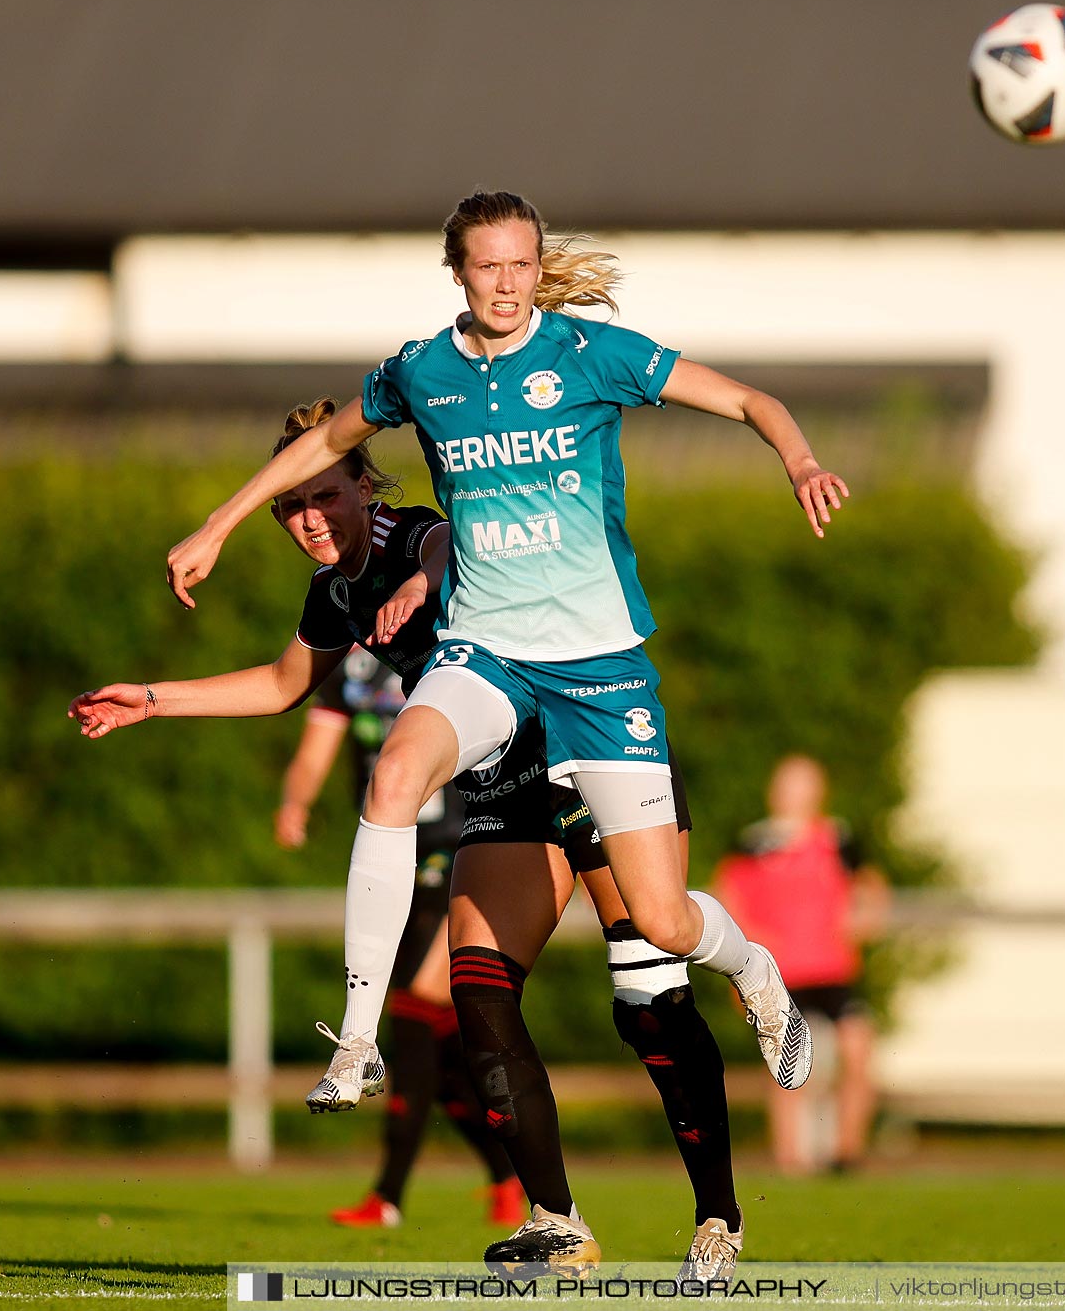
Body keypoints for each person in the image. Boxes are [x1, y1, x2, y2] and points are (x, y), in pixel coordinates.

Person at [163, 192, 843, 1269]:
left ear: (537, 267)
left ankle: (752, 975)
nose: (508, 282)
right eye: (488, 266)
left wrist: (799, 458)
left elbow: (751, 399)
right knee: (396, 781)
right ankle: (358, 1047)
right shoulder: (421, 371)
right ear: (459, 273)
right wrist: (217, 522)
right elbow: (318, 446)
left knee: (662, 937)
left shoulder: (592, 354)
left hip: (600, 674)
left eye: (523, 263)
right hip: (490, 659)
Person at [75, 400, 748, 1277]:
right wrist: (153, 698)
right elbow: (284, 685)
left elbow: (444, 547)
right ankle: (558, 1223)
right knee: (475, 994)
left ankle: (719, 1214)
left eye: (324, 495)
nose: (309, 518)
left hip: (583, 752)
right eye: (291, 506)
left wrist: (421, 584)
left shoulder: (412, 532)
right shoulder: (333, 590)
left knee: (649, 993)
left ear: (364, 484)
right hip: (501, 786)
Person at [277, 645, 524, 1230]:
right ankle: (508, 1172)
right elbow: (317, 746)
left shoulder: (448, 644)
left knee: (415, 1007)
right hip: (393, 860)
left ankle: (387, 1196)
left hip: (463, 851)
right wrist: (295, 802)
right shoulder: (348, 663)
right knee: (438, 1059)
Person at [716, 755, 887, 1174]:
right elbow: (729, 900)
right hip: (781, 972)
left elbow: (872, 888)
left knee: (858, 1047)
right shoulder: (753, 843)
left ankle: (848, 1153)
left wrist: (862, 917)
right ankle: (791, 1159)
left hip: (832, 971)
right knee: (788, 1064)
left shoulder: (839, 839)